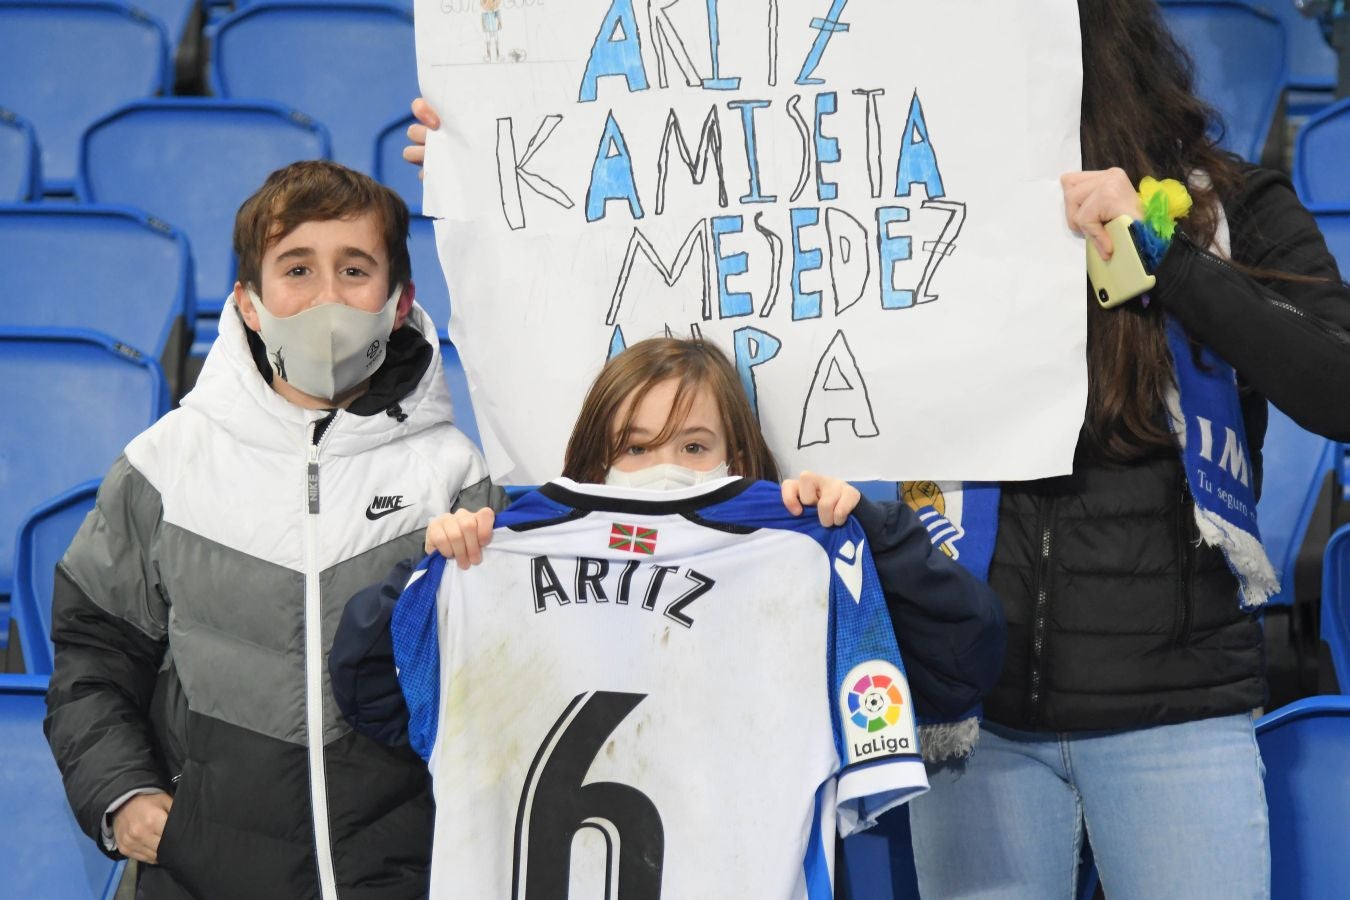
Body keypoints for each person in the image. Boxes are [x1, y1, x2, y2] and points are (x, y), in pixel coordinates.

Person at [897, 2, 1350, 898]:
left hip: (1176, 715)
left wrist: (1166, 257)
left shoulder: (1228, 205)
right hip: (978, 720)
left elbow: (1337, 386)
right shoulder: (928, 214)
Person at [44, 160, 503, 899]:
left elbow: (498, 688)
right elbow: (92, 657)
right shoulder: (167, 463)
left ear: (399, 302)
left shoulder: (454, 474)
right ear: (249, 304)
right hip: (200, 878)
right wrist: (123, 794)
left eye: (355, 269)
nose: (327, 298)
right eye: (296, 269)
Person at [332, 337, 1006, 767]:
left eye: (693, 446)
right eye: (636, 447)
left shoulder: (801, 561)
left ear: (738, 459)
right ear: (595, 463)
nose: (664, 468)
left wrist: (869, 535)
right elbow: (376, 700)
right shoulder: (513, 564)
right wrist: (431, 581)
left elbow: (961, 666)